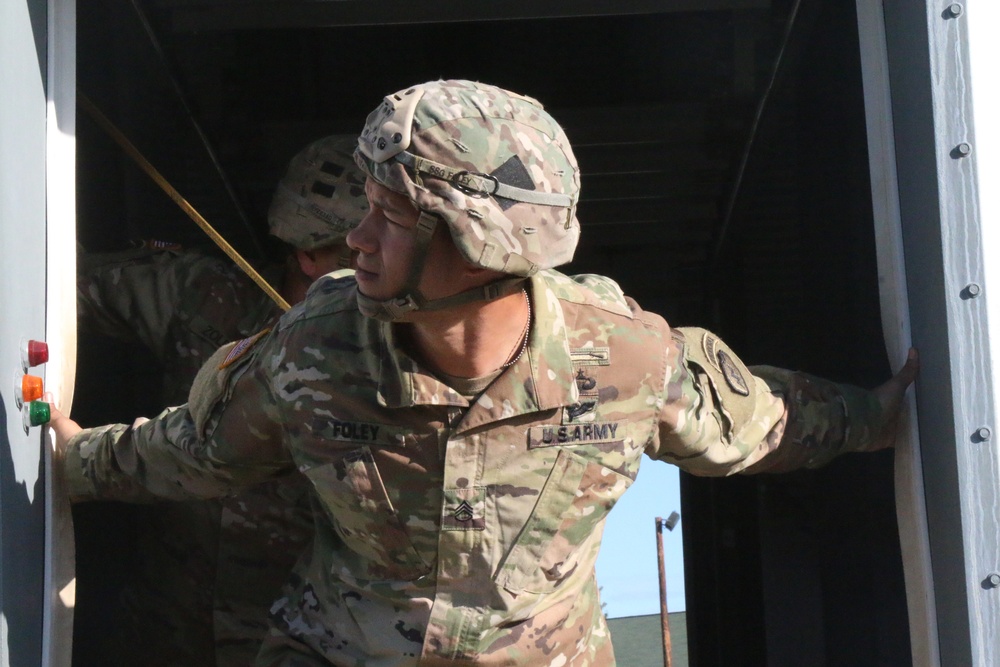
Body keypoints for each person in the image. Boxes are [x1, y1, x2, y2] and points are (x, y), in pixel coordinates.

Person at [52, 79, 919, 666]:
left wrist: (884, 416)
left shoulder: (622, 358)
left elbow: (762, 424)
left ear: (474, 250)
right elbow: (196, 450)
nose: (356, 242)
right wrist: (69, 459)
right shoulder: (316, 347)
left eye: (388, 218)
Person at [73, 134, 368, 666]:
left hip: (300, 640)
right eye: (356, 249)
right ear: (306, 251)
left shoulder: (402, 354)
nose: (379, 262)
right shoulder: (210, 297)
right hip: (167, 621)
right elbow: (54, 285)